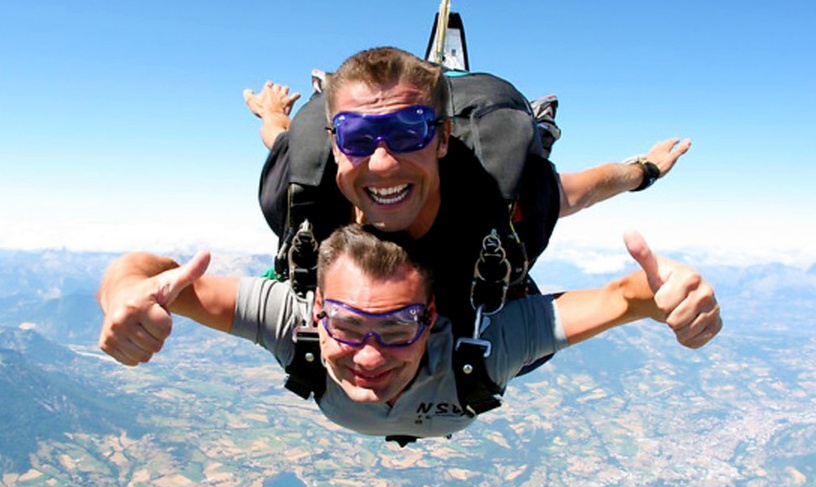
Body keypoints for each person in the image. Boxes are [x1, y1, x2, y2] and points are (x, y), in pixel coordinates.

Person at [97, 224, 722, 443]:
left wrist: (675, 297)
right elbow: (149, 273)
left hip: (480, 352)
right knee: (281, 138)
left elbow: (629, 296)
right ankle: (277, 121)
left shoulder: (489, 343)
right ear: (315, 310)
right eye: (344, 322)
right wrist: (119, 293)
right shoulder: (290, 319)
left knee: (555, 199)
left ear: (433, 317)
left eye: (398, 325)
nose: (369, 354)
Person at [237, 47, 693, 341]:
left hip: (469, 257)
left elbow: (581, 191)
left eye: (407, 132)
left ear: (442, 139)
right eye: (356, 137)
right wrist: (271, 111)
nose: (381, 162)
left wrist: (644, 168)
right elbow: (280, 137)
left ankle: (536, 131)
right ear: (334, 144)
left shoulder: (495, 194)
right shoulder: (301, 197)